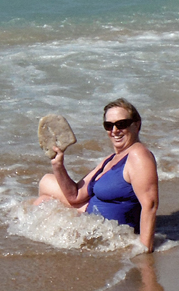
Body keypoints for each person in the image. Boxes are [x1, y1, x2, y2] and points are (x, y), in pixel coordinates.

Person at [34, 98, 159, 252]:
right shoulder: (110, 160)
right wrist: (58, 165)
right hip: (92, 220)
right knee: (45, 187)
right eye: (109, 125)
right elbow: (76, 195)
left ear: (136, 124)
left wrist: (145, 250)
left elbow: (150, 205)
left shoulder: (139, 156)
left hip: (109, 235)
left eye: (121, 124)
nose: (114, 131)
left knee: (39, 207)